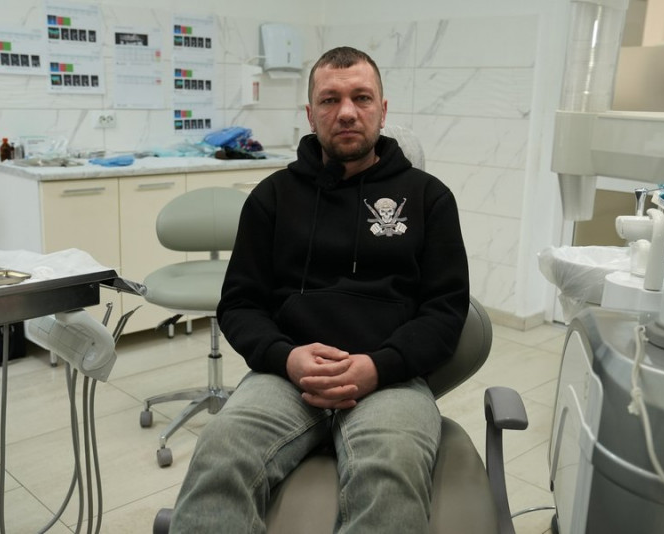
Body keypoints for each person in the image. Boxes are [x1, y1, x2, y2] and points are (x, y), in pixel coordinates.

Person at [169, 46, 470, 533]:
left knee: (390, 470)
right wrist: (287, 358)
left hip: (389, 378)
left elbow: (446, 311)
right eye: (330, 100)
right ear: (310, 115)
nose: (347, 112)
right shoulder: (272, 197)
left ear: (382, 110)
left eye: (361, 98)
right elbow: (240, 304)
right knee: (220, 451)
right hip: (286, 378)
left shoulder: (427, 197)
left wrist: (379, 366)